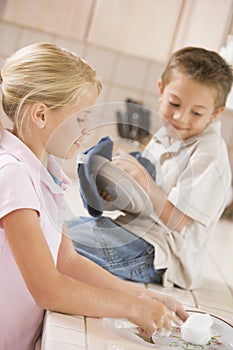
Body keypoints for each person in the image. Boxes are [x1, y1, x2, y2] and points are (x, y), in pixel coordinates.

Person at [0, 42, 188, 350]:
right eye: (81, 118)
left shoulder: (45, 174)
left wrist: (144, 296)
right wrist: (134, 309)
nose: (87, 129)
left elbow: (68, 261)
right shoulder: (13, 175)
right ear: (40, 115)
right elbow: (48, 289)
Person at [68, 46, 233, 290]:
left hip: (158, 254)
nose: (181, 118)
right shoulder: (165, 135)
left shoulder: (209, 153)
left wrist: (142, 178)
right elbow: (144, 200)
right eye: (174, 104)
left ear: (216, 113)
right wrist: (114, 192)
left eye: (196, 112)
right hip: (131, 230)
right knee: (57, 230)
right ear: (161, 90)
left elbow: (176, 220)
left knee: (61, 245)